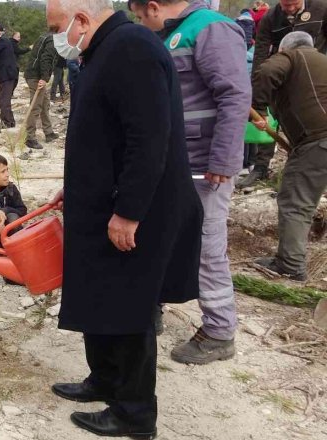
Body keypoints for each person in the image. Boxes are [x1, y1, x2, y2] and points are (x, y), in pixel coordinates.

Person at [45, 0, 203, 437]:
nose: (58, 39)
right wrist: (74, 187)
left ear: (81, 20)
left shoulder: (131, 48)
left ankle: (133, 414)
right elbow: (102, 135)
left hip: (135, 210)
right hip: (101, 202)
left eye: (59, 28)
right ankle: (105, 381)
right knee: (98, 296)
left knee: (127, 307)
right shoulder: (104, 50)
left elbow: (148, 139)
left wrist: (128, 212)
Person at [130, 0, 252, 366]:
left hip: (203, 165)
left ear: (152, 6)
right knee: (158, 236)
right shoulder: (172, 35)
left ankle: (218, 330)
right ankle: (153, 306)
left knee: (205, 246)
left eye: (139, 16)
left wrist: (224, 159)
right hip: (173, 162)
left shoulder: (211, 28)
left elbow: (234, 94)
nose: (140, 23)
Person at [252, 32, 327, 281]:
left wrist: (258, 108)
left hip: (317, 141)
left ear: (286, 48)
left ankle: (291, 265)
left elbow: (266, 72)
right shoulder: (321, 62)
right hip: (316, 141)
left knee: (296, 203)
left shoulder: (294, 56)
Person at [244, 0, 327, 188]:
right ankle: (261, 166)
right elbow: (260, 53)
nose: (289, 9)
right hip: (279, 78)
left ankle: (305, 167)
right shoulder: (270, 18)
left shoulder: (322, 9)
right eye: (285, 5)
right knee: (271, 122)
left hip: (312, 79)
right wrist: (259, 91)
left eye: (294, 4)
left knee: (310, 124)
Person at [21, 31, 60, 155]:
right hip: (36, 76)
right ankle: (30, 138)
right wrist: (44, 77)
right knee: (36, 106)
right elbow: (46, 58)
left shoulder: (45, 36)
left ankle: (49, 133)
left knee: (45, 103)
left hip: (34, 74)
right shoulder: (53, 39)